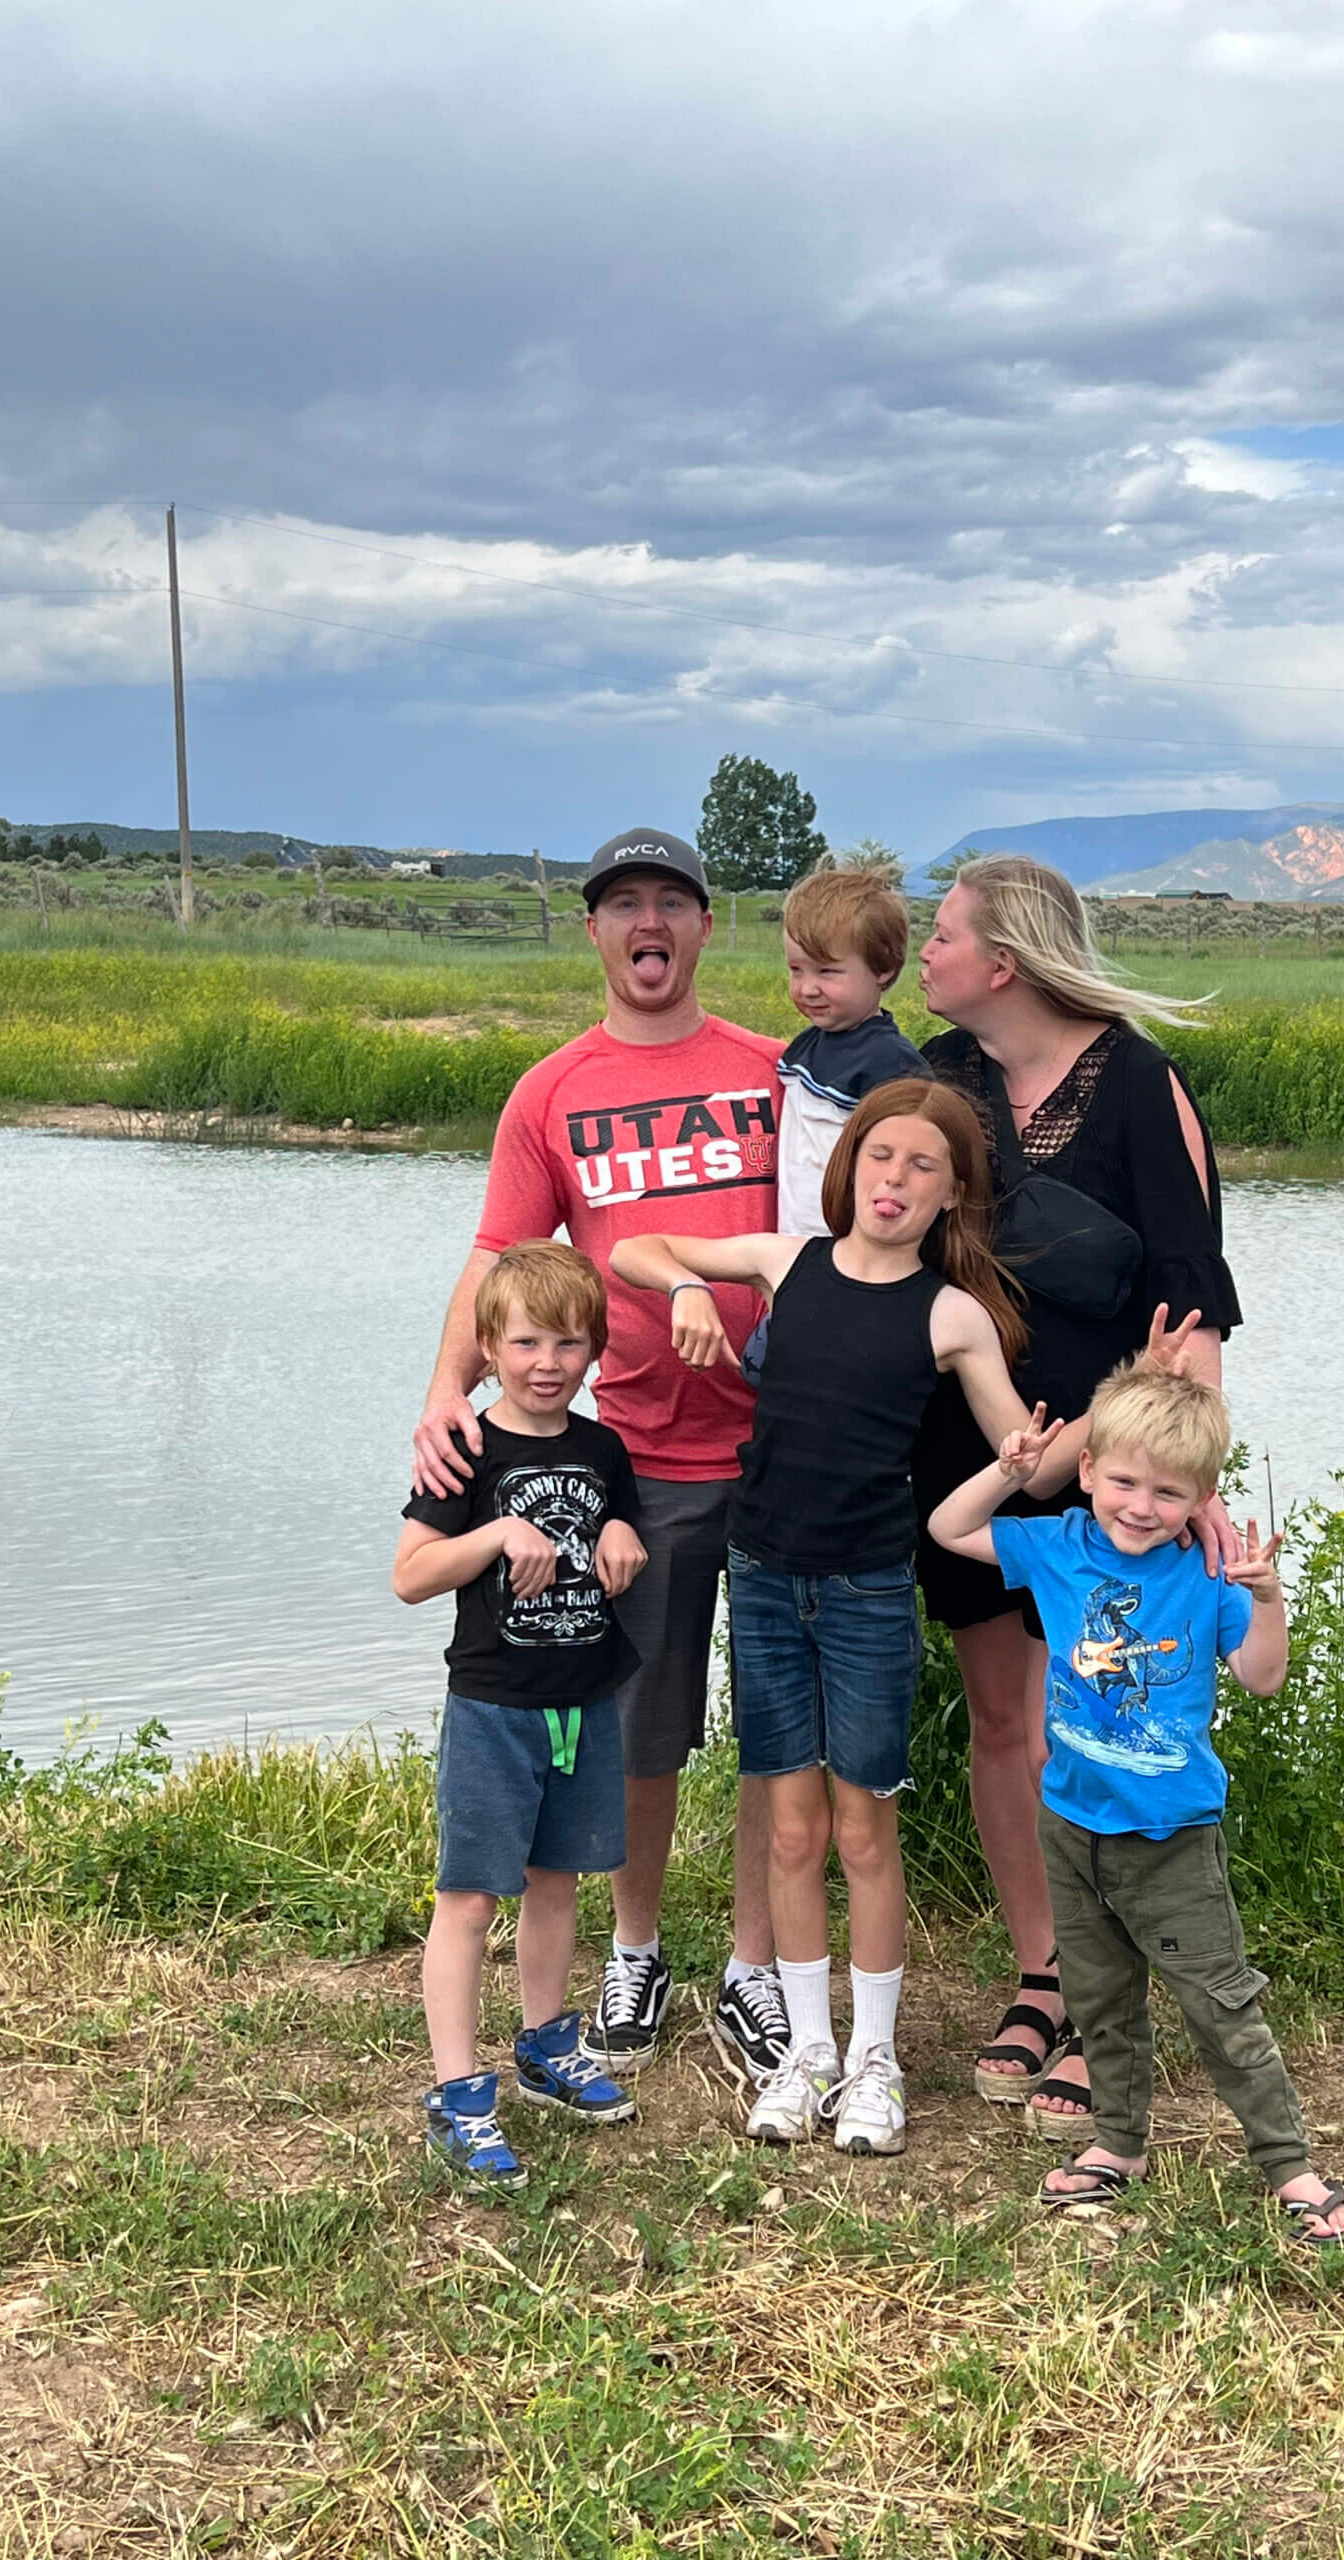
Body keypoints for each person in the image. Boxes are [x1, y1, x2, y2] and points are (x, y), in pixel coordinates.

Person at [411, 826, 793, 2088]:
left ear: (703, 925)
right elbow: (498, 1259)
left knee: (779, 1726)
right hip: (636, 1459)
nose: (649, 922)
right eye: (623, 903)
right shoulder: (551, 1089)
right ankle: (636, 1945)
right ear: (593, 930)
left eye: (671, 902)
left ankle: (755, 1963)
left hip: (788, 1448)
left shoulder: (775, 1073)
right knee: (640, 1723)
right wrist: (441, 1389)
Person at [614, 1080, 1045, 2157]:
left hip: (864, 1593)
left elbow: (1021, 1457)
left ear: (952, 1197)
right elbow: (635, 1246)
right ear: (847, 1166)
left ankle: (875, 2061)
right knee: (791, 1829)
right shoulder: (783, 1260)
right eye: (881, 1157)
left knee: (862, 1829)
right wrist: (684, 1291)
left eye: (923, 1168)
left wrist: (1105, 1425)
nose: (895, 1180)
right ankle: (806, 2054)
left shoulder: (952, 1313)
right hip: (762, 1579)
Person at [913, 854, 1244, 2125]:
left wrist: (1190, 1475)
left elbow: (1192, 1301)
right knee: (1008, 1717)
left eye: (941, 936)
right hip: (971, 1452)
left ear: (1003, 962)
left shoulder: (1145, 1086)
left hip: (1112, 1476)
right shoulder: (943, 1077)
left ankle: (1116, 1994)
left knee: (1110, 1704)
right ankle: (1044, 1975)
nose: (925, 957)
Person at [930, 1356, 1344, 2243]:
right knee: (1099, 2000)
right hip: (1070, 1826)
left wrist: (1267, 1599)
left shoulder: (1207, 1579)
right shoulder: (1055, 1545)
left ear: (1201, 1498)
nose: (1139, 1505)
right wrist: (1010, 1471)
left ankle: (1290, 2165)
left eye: (1168, 1492)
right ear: (1085, 1472)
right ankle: (1119, 2145)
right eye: (1121, 1480)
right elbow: (947, 1527)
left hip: (1171, 1838)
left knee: (1220, 2006)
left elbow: (1264, 1679)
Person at [397, 1242, 649, 2189]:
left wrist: (625, 1531)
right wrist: (495, 1532)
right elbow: (410, 1576)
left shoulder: (602, 1448)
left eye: (569, 1343)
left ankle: (547, 2044)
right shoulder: (464, 1448)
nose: (548, 1362)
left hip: (584, 1701)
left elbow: (618, 1526)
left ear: (595, 1353)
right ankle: (457, 2091)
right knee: (469, 1898)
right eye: (528, 1342)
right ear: (491, 1347)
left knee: (558, 1881)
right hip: (495, 1705)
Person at [737, 863, 929, 1384]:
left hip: (852, 1262)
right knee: (761, 1377)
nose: (808, 988)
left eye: (827, 972)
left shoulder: (891, 1066)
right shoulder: (806, 1047)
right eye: (796, 971)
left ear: (883, 968)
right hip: (796, 1257)